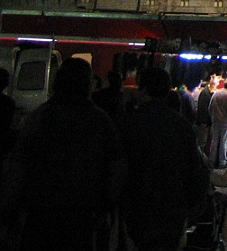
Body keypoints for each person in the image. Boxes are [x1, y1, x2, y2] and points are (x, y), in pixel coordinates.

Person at [2, 57, 122, 251]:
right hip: (82, 213)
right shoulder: (100, 121)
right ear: (87, 83)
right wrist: (105, 207)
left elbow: (18, 166)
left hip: (41, 212)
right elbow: (117, 168)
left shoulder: (39, 117)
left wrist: (9, 208)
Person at [120, 66, 210, 251]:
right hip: (171, 210)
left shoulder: (130, 123)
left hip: (137, 209)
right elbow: (195, 170)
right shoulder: (181, 125)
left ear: (143, 89)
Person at [210, 78, 227, 168]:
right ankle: (222, 162)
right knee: (223, 141)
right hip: (226, 122)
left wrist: (213, 116)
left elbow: (210, 107)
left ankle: (212, 160)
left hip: (215, 120)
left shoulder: (216, 94)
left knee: (214, 140)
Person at [194, 77, 213, 154]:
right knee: (202, 142)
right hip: (203, 124)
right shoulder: (205, 94)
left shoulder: (206, 93)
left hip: (204, 123)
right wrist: (203, 122)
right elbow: (203, 109)